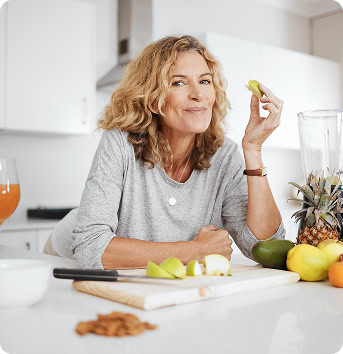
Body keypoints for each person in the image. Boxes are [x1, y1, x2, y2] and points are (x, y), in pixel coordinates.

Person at [46, 35, 285, 269]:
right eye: (178, 82)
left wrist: (253, 150)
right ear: (152, 100)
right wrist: (194, 251)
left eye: (204, 81)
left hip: (144, 274)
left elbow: (266, 247)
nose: (198, 94)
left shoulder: (225, 156)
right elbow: (90, 248)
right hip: (66, 258)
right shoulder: (119, 142)